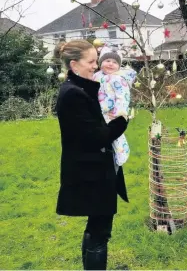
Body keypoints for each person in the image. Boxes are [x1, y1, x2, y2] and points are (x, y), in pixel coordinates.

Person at [54, 40, 129, 270]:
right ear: (74, 64)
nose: (95, 66)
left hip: (93, 169)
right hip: (91, 173)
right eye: (91, 62)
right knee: (100, 231)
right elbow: (98, 137)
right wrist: (122, 120)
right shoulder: (73, 94)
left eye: (96, 61)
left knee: (96, 225)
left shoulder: (81, 88)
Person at [93, 45, 136, 167]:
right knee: (101, 135)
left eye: (115, 62)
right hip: (99, 111)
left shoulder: (118, 79)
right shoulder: (96, 77)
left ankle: (121, 154)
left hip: (112, 113)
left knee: (115, 136)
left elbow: (123, 96)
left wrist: (119, 113)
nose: (111, 64)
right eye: (107, 61)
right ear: (101, 62)